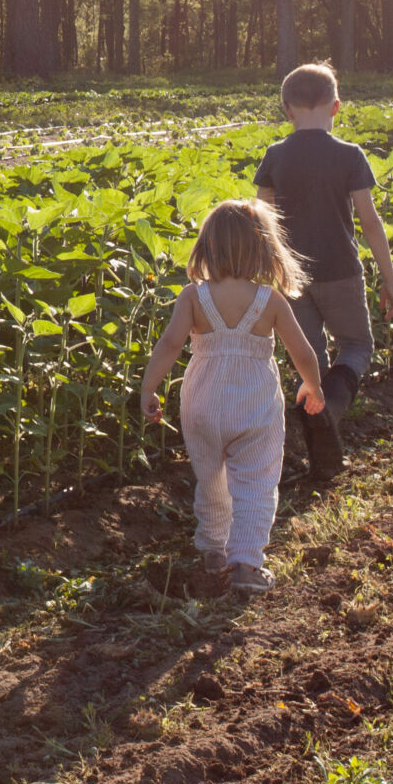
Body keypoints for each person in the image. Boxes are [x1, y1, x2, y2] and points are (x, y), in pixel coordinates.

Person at [139, 198, 329, 597]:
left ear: (207, 246)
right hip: (255, 405)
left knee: (211, 479)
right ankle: (244, 562)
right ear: (263, 248)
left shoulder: (194, 297)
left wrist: (149, 387)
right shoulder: (269, 301)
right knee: (257, 482)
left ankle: (212, 551)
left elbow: (171, 343)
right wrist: (311, 385)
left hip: (202, 404)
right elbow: (303, 352)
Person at [251, 61, 393, 485]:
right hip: (341, 271)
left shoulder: (276, 156)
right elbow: (370, 222)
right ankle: (328, 412)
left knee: (309, 362)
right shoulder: (349, 156)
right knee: (356, 345)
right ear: (337, 107)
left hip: (290, 277)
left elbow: (263, 220)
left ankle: (320, 448)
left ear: (287, 110)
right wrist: (388, 278)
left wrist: (265, 274)